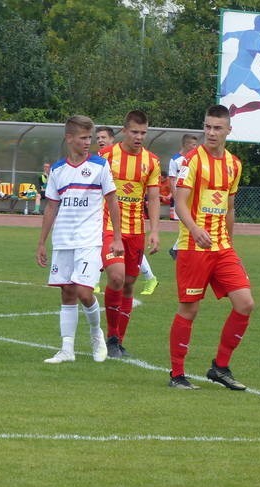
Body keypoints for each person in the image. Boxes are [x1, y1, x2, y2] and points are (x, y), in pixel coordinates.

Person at [168, 104, 254, 390]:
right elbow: (179, 202)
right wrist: (194, 229)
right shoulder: (192, 161)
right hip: (194, 247)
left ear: (229, 130)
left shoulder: (234, 164)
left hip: (222, 247)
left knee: (245, 303)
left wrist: (230, 243)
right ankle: (177, 374)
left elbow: (229, 207)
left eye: (217, 128)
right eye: (207, 127)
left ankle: (220, 367)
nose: (211, 133)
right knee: (189, 310)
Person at [36, 115, 123, 364]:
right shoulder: (57, 170)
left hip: (89, 240)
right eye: (84, 138)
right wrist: (42, 242)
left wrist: (116, 238)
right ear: (69, 138)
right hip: (63, 240)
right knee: (66, 291)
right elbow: (51, 207)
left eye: (90, 138)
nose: (88, 142)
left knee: (85, 292)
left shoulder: (99, 166)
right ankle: (67, 349)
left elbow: (113, 201)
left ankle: (96, 334)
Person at [100, 110, 161, 358]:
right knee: (116, 277)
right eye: (134, 132)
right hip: (108, 228)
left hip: (136, 230)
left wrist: (154, 230)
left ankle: (117, 340)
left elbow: (154, 197)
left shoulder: (152, 161)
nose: (139, 137)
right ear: (124, 131)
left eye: (143, 133)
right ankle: (112, 336)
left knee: (128, 285)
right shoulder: (105, 156)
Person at [220, 14, 260, 128]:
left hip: (242, 70)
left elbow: (228, 34)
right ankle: (208, 116)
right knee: (221, 93)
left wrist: (219, 42)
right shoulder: (259, 39)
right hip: (240, 72)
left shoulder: (245, 33)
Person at [167, 134, 200, 260]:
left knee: (189, 223)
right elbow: (172, 180)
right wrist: (176, 198)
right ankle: (176, 249)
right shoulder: (175, 160)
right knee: (185, 224)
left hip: (192, 198)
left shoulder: (194, 158)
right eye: (193, 144)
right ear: (185, 144)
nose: (195, 147)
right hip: (181, 199)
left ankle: (176, 249)